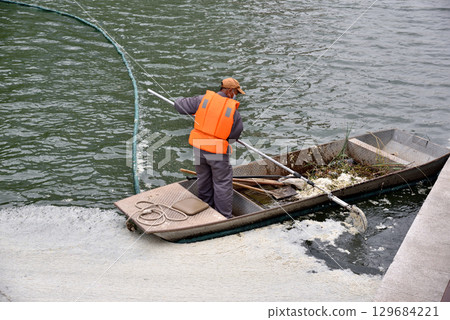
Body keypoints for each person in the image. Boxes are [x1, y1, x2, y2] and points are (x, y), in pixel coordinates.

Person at [174, 78, 245, 218]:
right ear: (230, 91)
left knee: (204, 178)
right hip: (217, 151)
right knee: (222, 184)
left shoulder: (202, 100)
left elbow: (179, 105)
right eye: (236, 92)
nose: (236, 95)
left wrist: (180, 101)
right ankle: (223, 216)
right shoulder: (232, 110)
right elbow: (235, 135)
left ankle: (204, 207)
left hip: (199, 148)